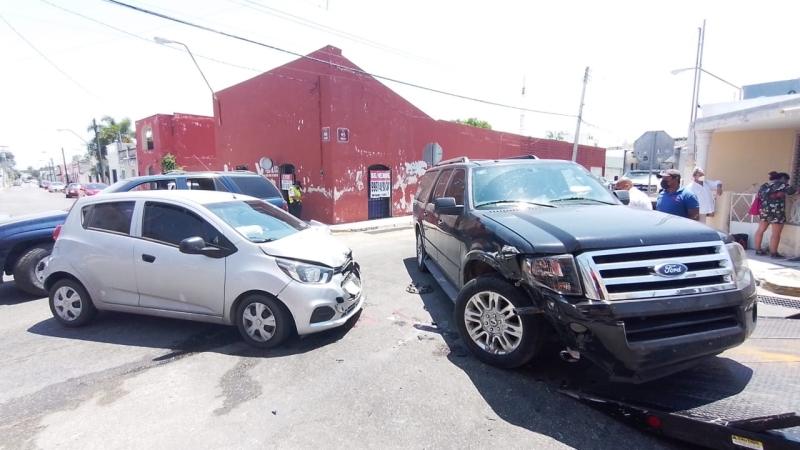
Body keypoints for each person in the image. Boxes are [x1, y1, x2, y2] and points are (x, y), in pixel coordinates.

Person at [754, 171, 796, 258]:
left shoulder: (765, 185)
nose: (786, 182)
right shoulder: (782, 184)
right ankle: (774, 253)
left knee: (760, 230)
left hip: (764, 210)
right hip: (777, 211)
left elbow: (759, 195)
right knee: (776, 232)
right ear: (783, 178)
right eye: (786, 180)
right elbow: (793, 191)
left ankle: (758, 250)